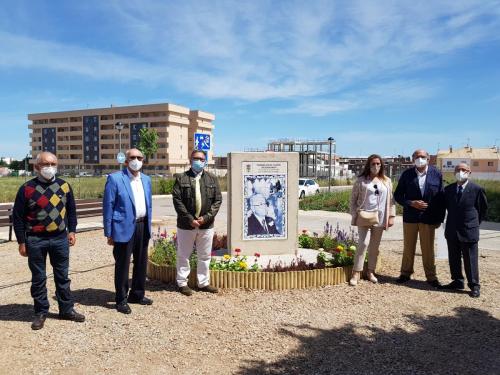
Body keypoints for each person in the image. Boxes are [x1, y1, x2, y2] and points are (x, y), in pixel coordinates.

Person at [12, 151, 85, 330]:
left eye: (53, 164)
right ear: (37, 167)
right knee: (38, 278)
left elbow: (71, 212)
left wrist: (72, 231)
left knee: (63, 277)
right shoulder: (27, 189)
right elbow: (18, 217)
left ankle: (66, 309)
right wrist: (22, 242)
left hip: (60, 238)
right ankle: (41, 312)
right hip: (35, 240)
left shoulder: (65, 186)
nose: (50, 168)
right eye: (45, 164)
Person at [103, 148, 153, 314]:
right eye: (133, 157)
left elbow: (148, 204)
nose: (136, 160)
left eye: (139, 157)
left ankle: (137, 294)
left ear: (143, 161)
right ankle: (121, 299)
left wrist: (148, 225)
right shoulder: (115, 179)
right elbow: (108, 206)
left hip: (142, 225)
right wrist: (109, 232)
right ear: (126, 160)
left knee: (141, 263)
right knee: (123, 265)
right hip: (123, 227)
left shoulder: (146, 179)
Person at [172, 149, 222, 296]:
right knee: (183, 255)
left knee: (205, 256)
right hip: (186, 225)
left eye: (201, 159)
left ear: (205, 161)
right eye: (195, 158)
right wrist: (190, 219)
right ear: (190, 160)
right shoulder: (181, 178)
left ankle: (203, 283)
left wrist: (206, 218)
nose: (198, 161)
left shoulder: (212, 179)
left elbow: (217, 200)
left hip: (206, 225)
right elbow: (177, 201)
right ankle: (182, 283)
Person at [394, 149, 445, 287]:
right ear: (412, 159)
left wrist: (439, 218)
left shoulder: (436, 174)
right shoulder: (407, 174)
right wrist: (411, 203)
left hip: (428, 218)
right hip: (410, 217)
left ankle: (431, 277)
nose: (420, 159)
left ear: (428, 159)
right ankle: (405, 273)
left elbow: (441, 198)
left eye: (423, 156)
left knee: (428, 249)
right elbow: (398, 195)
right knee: (408, 247)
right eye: (417, 156)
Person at [440, 163, 488, 298]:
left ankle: (474, 285)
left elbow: (482, 209)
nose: (460, 172)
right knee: (453, 257)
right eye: (458, 170)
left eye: (464, 170)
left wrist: (474, 224)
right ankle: (457, 281)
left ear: (469, 172)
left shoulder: (477, 189)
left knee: (470, 259)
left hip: (469, 230)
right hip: (452, 230)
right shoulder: (448, 189)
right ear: (454, 172)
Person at [349, 154, 396, 286]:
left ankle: (370, 271)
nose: (375, 166)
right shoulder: (361, 180)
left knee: (374, 247)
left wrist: (391, 216)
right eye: (373, 164)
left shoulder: (387, 181)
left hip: (380, 218)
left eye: (378, 164)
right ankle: (356, 272)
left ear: (381, 166)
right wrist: (354, 213)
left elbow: (391, 200)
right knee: (363, 243)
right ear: (368, 165)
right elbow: (353, 199)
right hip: (364, 216)